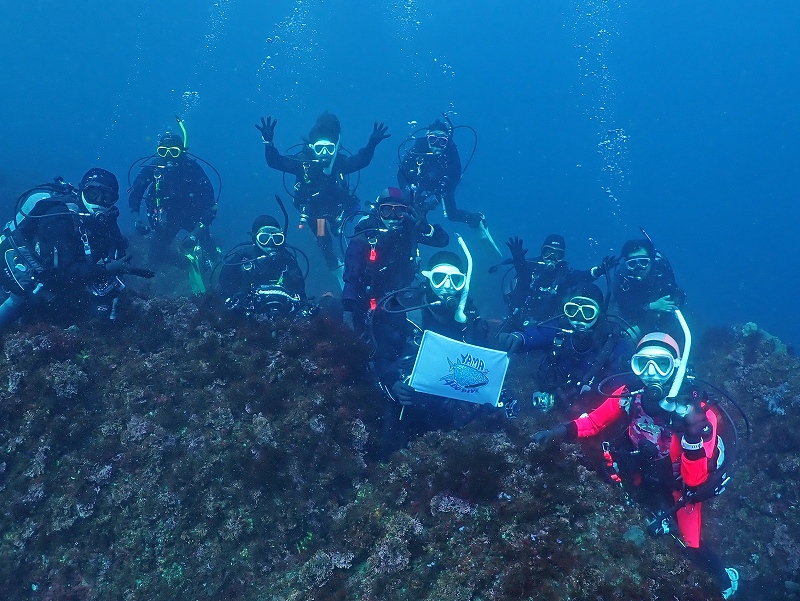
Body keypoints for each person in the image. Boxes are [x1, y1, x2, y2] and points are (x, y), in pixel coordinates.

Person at [533, 331, 739, 599]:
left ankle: (726, 581)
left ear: (676, 366)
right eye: (643, 364)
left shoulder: (699, 413)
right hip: (642, 473)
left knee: (692, 547)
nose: (651, 373)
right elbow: (594, 422)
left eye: (661, 364)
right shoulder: (630, 394)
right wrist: (559, 431)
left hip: (680, 487)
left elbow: (695, 481)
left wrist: (691, 436)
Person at [0, 169, 153, 329]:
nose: (99, 201)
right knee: (21, 300)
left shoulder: (106, 219)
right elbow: (63, 273)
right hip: (30, 272)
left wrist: (117, 274)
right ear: (82, 191)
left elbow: (116, 247)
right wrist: (108, 269)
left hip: (63, 274)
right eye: (93, 194)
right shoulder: (59, 217)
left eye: (107, 197)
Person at [374, 250, 491, 453]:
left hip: (450, 408)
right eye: (439, 278)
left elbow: (483, 362)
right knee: (392, 448)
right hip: (407, 404)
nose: (447, 286)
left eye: (455, 280)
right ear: (428, 278)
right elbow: (382, 358)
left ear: (464, 282)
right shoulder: (403, 310)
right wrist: (394, 384)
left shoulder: (470, 318)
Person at [256, 112, 390, 274]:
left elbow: (362, 160)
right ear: (312, 147)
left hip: (337, 210)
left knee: (339, 231)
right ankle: (334, 266)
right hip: (316, 213)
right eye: (320, 148)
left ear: (335, 146)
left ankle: (357, 260)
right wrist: (268, 142)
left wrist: (372, 144)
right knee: (323, 238)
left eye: (329, 148)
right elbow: (275, 162)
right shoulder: (303, 162)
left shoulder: (340, 162)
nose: (325, 153)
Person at [498, 283, 628, 414]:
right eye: (573, 310)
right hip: (556, 400)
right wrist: (518, 338)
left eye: (587, 311)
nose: (578, 317)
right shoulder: (559, 328)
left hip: (592, 409)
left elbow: (622, 383)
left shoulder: (612, 341)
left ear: (599, 313)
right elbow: (537, 335)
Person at [342, 187, 448, 337]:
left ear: (406, 212)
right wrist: (348, 312)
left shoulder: (410, 230)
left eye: (399, 211)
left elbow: (442, 241)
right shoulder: (364, 237)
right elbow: (351, 279)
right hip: (371, 297)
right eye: (386, 210)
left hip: (403, 294)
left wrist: (427, 228)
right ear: (378, 211)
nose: (392, 217)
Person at [128, 129, 218, 292]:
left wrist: (196, 233)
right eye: (163, 151)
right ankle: (187, 262)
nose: (168, 157)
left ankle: (215, 272)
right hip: (166, 220)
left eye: (174, 152)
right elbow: (135, 194)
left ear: (182, 152)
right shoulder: (153, 168)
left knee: (209, 248)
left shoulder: (192, 169)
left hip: (193, 217)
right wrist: (136, 219)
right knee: (155, 255)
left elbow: (210, 205)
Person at [504, 234, 614, 328]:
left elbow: (582, 276)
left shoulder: (564, 275)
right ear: (542, 252)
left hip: (548, 327)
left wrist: (599, 271)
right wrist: (518, 260)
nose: (552, 257)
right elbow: (522, 272)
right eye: (548, 252)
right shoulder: (531, 267)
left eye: (557, 254)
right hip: (517, 320)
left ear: (562, 256)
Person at [218, 215, 307, 320]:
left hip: (283, 317)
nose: (270, 243)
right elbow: (222, 292)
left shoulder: (288, 261)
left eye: (276, 238)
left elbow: (301, 295)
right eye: (264, 238)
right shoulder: (241, 259)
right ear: (255, 237)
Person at [397, 119, 483, 227]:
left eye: (442, 141)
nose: (437, 145)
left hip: (443, 185)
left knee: (452, 214)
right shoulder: (418, 147)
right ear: (427, 138)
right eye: (433, 139)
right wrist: (407, 189)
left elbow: (456, 175)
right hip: (420, 182)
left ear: (447, 142)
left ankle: (476, 219)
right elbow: (402, 172)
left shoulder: (451, 151)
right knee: (409, 207)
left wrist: (438, 197)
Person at [610, 238, 684, 342]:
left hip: (658, 322)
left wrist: (641, 327)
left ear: (651, 261)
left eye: (643, 262)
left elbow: (667, 307)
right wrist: (651, 306)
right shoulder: (623, 278)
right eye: (632, 264)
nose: (638, 268)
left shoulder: (662, 274)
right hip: (632, 319)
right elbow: (624, 306)